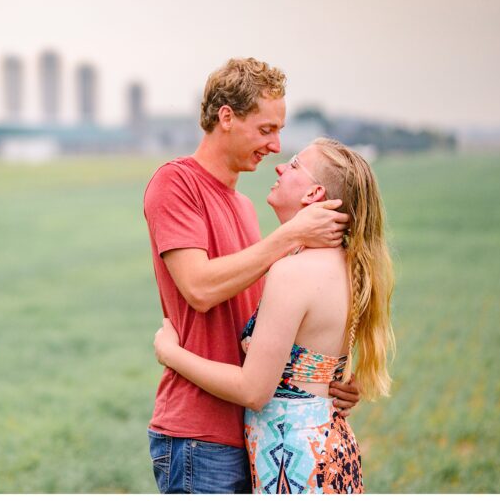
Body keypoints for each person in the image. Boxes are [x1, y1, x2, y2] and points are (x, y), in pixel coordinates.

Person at [144, 57, 359, 494]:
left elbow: (263, 319)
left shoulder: (243, 205)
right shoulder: (175, 182)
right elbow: (200, 288)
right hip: (198, 435)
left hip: (254, 429)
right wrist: (289, 235)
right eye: (266, 130)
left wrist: (322, 381)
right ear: (226, 117)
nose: (276, 145)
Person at [154, 138, 395, 493]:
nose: (281, 165)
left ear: (314, 194)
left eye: (295, 163)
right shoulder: (349, 267)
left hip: (293, 459)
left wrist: (170, 353)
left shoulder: (292, 273)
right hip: (330, 451)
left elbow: (254, 390)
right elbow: (317, 368)